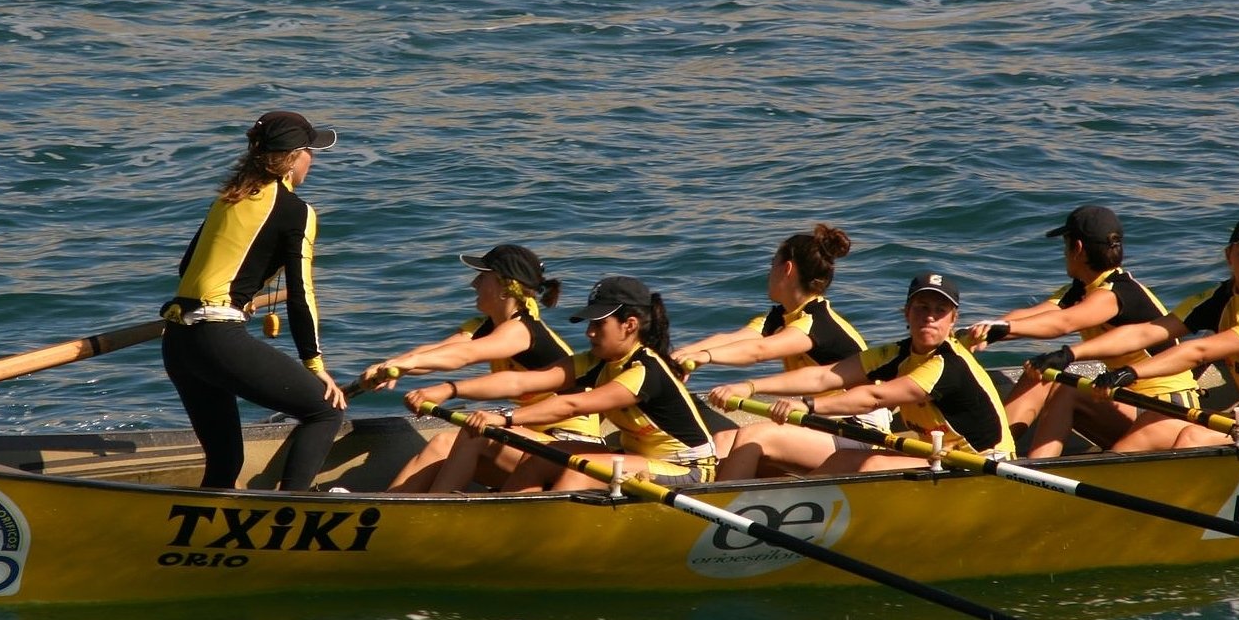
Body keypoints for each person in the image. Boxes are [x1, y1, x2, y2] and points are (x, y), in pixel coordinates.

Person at [161, 111, 346, 490]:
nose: (314, 159)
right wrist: (315, 364)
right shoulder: (297, 211)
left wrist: (241, 296)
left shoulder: (229, 197)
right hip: (217, 338)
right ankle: (293, 509)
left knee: (226, 459)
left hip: (178, 341)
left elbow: (188, 267)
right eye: (311, 150)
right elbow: (301, 295)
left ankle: (203, 525)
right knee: (325, 411)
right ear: (294, 157)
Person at [409, 275, 716, 492]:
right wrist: (449, 389)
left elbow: (572, 404)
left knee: (578, 467)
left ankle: (534, 537)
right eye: (589, 324)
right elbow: (519, 381)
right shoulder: (595, 361)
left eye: (599, 324)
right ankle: (504, 521)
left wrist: (504, 418)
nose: (590, 333)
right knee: (536, 460)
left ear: (630, 325)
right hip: (638, 457)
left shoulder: (645, 370)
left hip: (688, 470)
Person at [709, 272, 1014, 478]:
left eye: (940, 310)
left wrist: (808, 406)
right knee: (843, 462)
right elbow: (825, 378)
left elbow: (875, 397)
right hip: (937, 455)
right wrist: (749, 385)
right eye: (921, 307)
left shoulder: (949, 364)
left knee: (870, 465)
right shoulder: (895, 353)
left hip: (982, 464)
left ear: (953, 320)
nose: (930, 317)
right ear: (906, 312)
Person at [363, 244, 601, 492]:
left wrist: (418, 371)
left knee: (475, 435)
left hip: (569, 443)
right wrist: (390, 366)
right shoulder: (486, 325)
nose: (473, 284)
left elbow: (464, 356)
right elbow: (440, 351)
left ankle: (433, 513)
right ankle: (388, 508)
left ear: (505, 286)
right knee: (441, 443)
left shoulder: (522, 330)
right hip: (534, 440)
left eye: (482, 277)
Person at [965, 205, 1197, 457]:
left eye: (1064, 246)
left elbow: (1063, 323)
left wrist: (1005, 328)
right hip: (1130, 402)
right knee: (1040, 374)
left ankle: (1036, 473)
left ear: (1076, 248)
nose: (1063, 254)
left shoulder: (1115, 294)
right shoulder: (1080, 289)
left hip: (1168, 410)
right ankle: (996, 451)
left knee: (1068, 390)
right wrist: (982, 331)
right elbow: (1034, 316)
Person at [1033, 217, 1239, 449]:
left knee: (1192, 437)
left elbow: (1199, 351)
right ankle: (1037, 481)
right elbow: (1148, 332)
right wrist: (1069, 354)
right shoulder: (1218, 299)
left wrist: (1132, 372)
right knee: (1155, 421)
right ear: (1229, 255)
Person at [670, 224, 884, 464]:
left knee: (756, 436)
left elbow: (759, 351)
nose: (769, 272)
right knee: (722, 441)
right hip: (820, 420)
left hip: (859, 429)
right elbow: (736, 338)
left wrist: (707, 357)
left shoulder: (816, 323)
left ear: (787, 269)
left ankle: (729, 498)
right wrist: (683, 355)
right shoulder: (781, 317)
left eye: (773, 263)